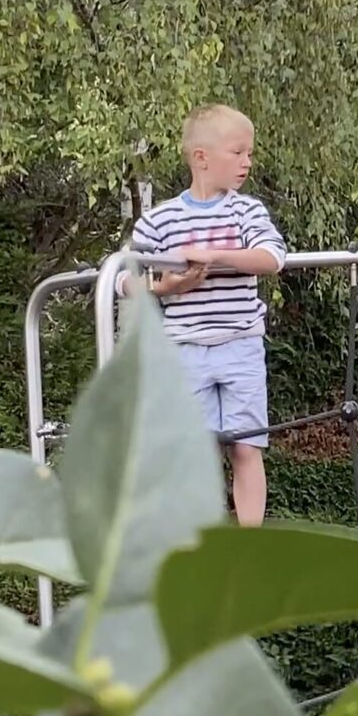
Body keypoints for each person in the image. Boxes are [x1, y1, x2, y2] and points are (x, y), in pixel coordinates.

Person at [135, 104, 287, 526]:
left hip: (240, 344)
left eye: (249, 153)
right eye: (237, 153)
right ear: (201, 158)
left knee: (246, 445)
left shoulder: (246, 211)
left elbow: (272, 257)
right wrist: (168, 287)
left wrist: (215, 255)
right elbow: (127, 278)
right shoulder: (160, 220)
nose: (247, 162)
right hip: (184, 349)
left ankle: (250, 542)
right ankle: (200, 539)